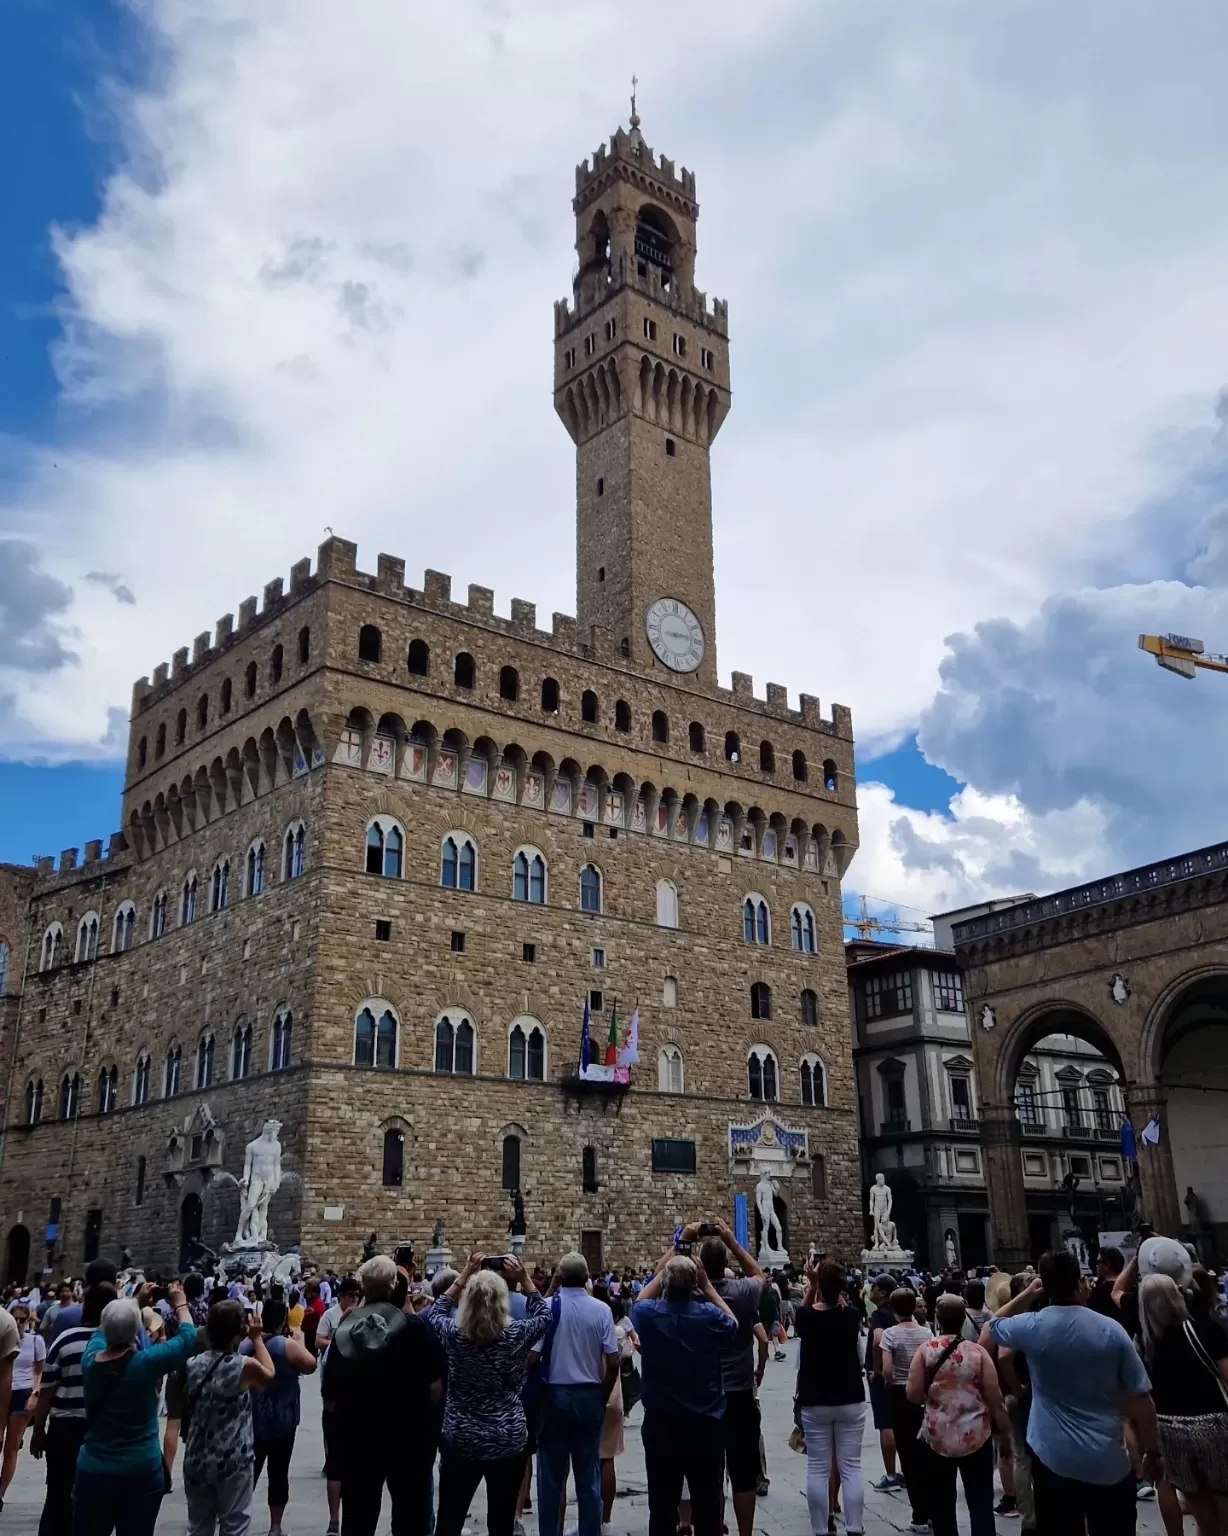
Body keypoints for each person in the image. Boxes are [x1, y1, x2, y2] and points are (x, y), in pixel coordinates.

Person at [983, 1249, 1158, 1535]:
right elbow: (1141, 1400)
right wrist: (1153, 1451)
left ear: (1044, 1286)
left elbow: (989, 1330)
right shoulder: (1111, 1330)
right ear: (1079, 1282)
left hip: (1053, 1459)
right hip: (1108, 1460)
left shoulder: (1033, 1326)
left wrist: (1028, 1293)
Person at [427, 1252, 549, 1536]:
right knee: (501, 1520)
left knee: (449, 1517)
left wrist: (464, 1275)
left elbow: (436, 1310)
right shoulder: (515, 1335)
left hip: (462, 1435)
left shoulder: (454, 1335)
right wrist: (524, 1279)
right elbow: (544, 1315)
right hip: (506, 1435)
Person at [323, 1254, 443, 1536]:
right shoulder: (416, 1329)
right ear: (394, 1286)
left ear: (363, 1289)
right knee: (410, 1517)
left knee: (358, 1517)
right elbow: (436, 1387)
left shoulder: (346, 1329)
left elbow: (331, 1396)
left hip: (360, 1438)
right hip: (408, 1438)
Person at [73, 1287, 196, 1536]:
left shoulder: (90, 1362)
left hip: (94, 1469)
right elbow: (187, 1338)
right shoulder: (146, 1363)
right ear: (136, 1331)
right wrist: (181, 1304)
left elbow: (103, 1329)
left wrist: (133, 1303)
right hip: (140, 1469)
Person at [631, 1251, 738, 1536]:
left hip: (661, 1423)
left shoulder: (648, 1314)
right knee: (708, 1503)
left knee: (662, 1505)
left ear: (665, 1282)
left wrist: (666, 1262)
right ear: (694, 1285)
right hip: (704, 1423)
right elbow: (734, 1325)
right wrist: (708, 1286)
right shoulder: (709, 1316)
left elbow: (639, 1300)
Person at [906, 1294, 1009, 1536]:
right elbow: (995, 1398)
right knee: (980, 1503)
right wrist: (1004, 1434)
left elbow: (911, 1394)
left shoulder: (926, 1351)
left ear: (938, 1319)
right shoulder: (977, 1352)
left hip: (937, 1437)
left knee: (941, 1504)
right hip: (976, 1436)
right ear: (963, 1319)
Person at [1136, 1272, 1228, 1536]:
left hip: (1170, 1429)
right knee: (1223, 1499)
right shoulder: (1206, 1329)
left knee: (1199, 1506)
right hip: (1211, 1425)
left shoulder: (1145, 1344)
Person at [535, 1252, 620, 1536]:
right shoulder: (601, 1310)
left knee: (550, 1479)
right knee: (588, 1478)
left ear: (558, 1276)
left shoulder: (546, 1308)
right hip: (588, 1396)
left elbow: (531, 1357)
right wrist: (601, 1394)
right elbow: (614, 1361)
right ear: (586, 1278)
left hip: (555, 1397)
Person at [694, 1221, 769, 1536]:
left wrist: (682, 1242)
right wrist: (731, 1240)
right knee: (743, 1473)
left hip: (704, 1396)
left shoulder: (691, 1295)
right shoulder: (742, 1293)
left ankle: (713, 1527)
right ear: (726, 1264)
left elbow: (657, 1282)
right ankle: (745, 1533)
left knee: (709, 1473)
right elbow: (759, 1275)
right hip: (739, 1394)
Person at [181, 1301, 274, 1536]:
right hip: (233, 1458)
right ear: (238, 1332)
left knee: (199, 1526)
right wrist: (257, 1339)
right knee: (234, 1525)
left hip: (197, 1456)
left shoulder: (192, 1364)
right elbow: (269, 1375)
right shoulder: (244, 1366)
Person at [30, 1283, 115, 1536]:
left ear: (86, 1306)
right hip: (103, 1430)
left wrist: (38, 1430)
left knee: (58, 1494)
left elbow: (46, 1390)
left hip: (64, 1429)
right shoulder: (121, 1342)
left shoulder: (65, 1339)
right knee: (98, 1499)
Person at [795, 1259, 866, 1536]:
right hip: (850, 1397)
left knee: (817, 1468)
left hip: (816, 1399)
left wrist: (812, 1284)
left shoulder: (806, 1318)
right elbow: (842, 1308)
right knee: (851, 1467)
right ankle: (855, 1525)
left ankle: (819, 1529)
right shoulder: (852, 1316)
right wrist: (825, 1286)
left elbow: (805, 1313)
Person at [235, 1297, 315, 1536]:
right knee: (278, 1473)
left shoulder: (247, 1345)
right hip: (283, 1418)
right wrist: (298, 1340)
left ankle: (238, 1518)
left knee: (250, 1471)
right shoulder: (284, 1344)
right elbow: (310, 1365)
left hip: (253, 1418)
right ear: (283, 1320)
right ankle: (275, 1526)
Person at [879, 1287, 932, 1534]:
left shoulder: (889, 1334)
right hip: (923, 1392)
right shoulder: (927, 1332)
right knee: (926, 1451)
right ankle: (933, 1510)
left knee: (908, 1455)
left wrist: (889, 1381)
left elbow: (887, 1370)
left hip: (900, 1395)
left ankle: (919, 1515)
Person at [315, 1275, 360, 1536]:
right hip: (350, 1412)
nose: (353, 1299)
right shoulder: (330, 1316)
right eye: (350, 1295)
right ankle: (342, 1519)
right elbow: (318, 1340)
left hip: (339, 1410)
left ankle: (336, 1521)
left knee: (338, 1466)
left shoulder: (335, 1360)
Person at [2, 1302, 46, 1499]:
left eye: (22, 1319)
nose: (19, 1323)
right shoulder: (4, 1336)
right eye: (16, 1318)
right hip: (2, 1392)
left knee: (11, 1446)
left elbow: (39, 1371)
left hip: (23, 1392)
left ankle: (0, 1494)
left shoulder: (35, 1341)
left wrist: (35, 1393)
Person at [864, 1276, 900, 1491]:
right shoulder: (900, 1314)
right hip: (902, 1373)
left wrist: (877, 1370)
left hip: (884, 1376)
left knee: (885, 1423)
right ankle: (905, 1471)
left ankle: (890, 1475)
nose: (871, 1291)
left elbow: (877, 1339)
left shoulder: (879, 1315)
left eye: (875, 1288)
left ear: (883, 1292)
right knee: (901, 1424)